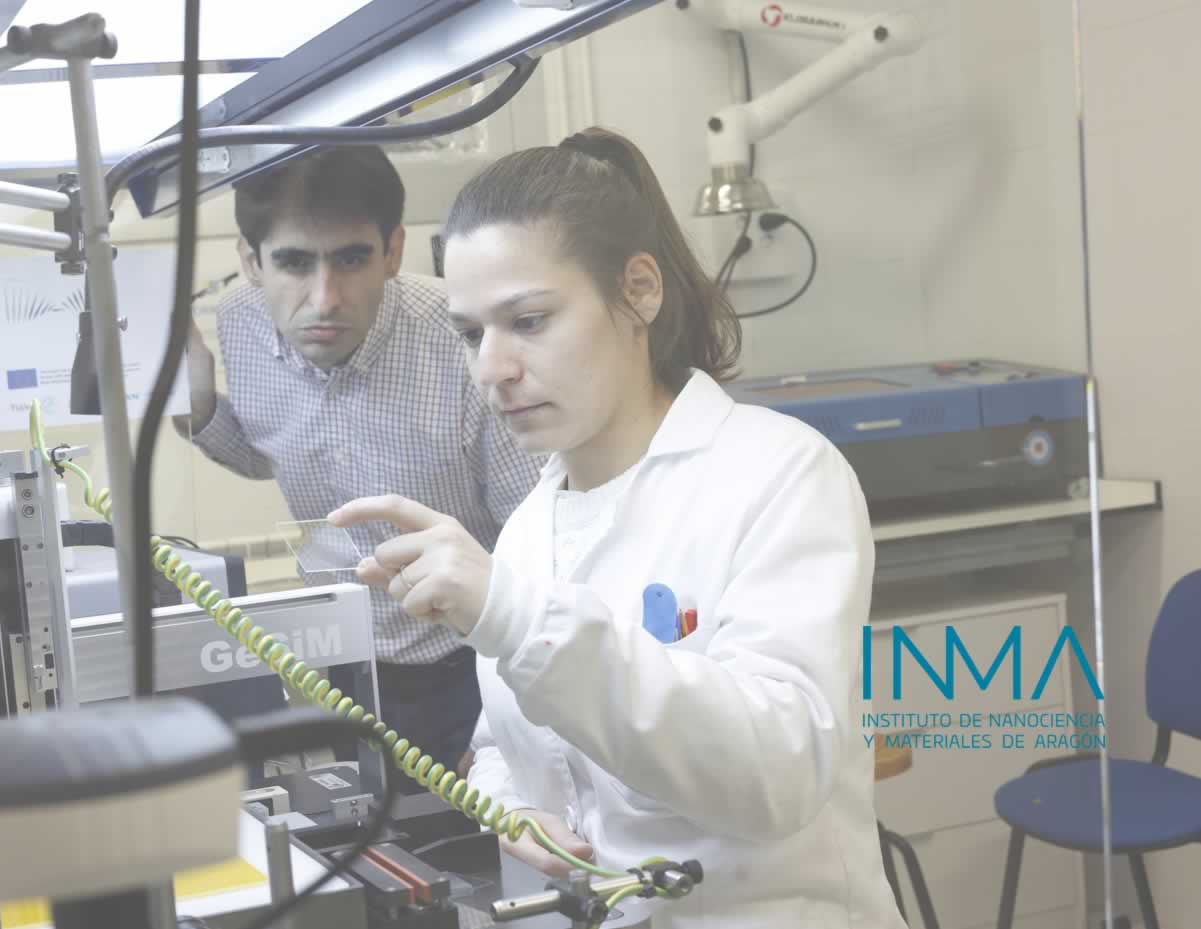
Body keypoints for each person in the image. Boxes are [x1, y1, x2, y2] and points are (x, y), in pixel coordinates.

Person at [329, 127, 906, 928]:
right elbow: (504, 743)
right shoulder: (531, 526)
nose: (491, 368)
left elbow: (779, 772)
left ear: (638, 290)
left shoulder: (778, 474)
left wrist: (514, 615)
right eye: (471, 332)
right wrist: (509, 807)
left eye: (529, 320)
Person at [180, 146, 540, 792]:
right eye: (294, 262)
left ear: (392, 252)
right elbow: (270, 454)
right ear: (251, 261)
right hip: (336, 662)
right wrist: (201, 406)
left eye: (350, 259)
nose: (324, 299)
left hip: (470, 663)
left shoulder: (460, 341)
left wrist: (501, 723)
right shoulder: (240, 323)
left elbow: (537, 535)